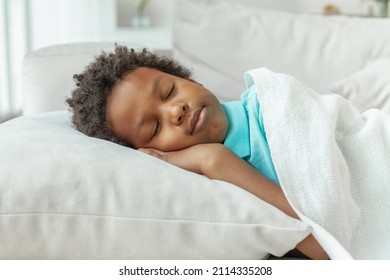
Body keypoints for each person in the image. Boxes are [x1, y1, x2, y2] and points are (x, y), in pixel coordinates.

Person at [66, 45, 329, 260]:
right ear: (147, 152)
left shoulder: (268, 104)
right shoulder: (210, 191)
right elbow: (327, 242)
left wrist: (213, 159)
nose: (175, 111)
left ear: (190, 80)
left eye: (170, 91)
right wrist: (210, 161)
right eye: (155, 127)